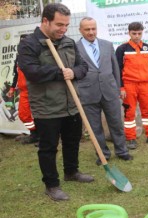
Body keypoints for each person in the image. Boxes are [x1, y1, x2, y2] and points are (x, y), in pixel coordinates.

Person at [18, 3, 93, 201]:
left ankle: (71, 172)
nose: (63, 29)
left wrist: (74, 72)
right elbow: (32, 72)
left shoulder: (68, 42)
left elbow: (83, 66)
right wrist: (60, 73)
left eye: (66, 25)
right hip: (47, 106)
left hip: (71, 103)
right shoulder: (29, 44)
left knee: (72, 141)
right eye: (59, 24)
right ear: (45, 20)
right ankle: (51, 185)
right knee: (48, 147)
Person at [76, 17, 133, 166]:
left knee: (116, 123)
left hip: (110, 91)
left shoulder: (107, 45)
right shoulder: (74, 48)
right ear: (80, 30)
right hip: (88, 93)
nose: (91, 32)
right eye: (87, 29)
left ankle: (122, 151)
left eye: (93, 28)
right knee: (95, 127)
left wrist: (118, 87)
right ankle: (102, 154)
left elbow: (115, 68)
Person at [115, 21, 148, 150]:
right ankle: (130, 138)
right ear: (129, 33)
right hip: (129, 85)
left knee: (147, 110)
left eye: (139, 33)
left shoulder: (147, 48)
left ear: (142, 33)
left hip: (146, 85)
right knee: (129, 111)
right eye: (134, 33)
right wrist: (121, 87)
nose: (137, 36)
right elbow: (117, 69)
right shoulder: (122, 49)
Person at [7, 34, 40, 145]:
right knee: (23, 115)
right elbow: (16, 75)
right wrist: (12, 88)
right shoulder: (18, 58)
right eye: (21, 42)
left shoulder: (37, 55)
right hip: (24, 91)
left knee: (40, 114)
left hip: (36, 90)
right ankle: (34, 134)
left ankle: (42, 137)